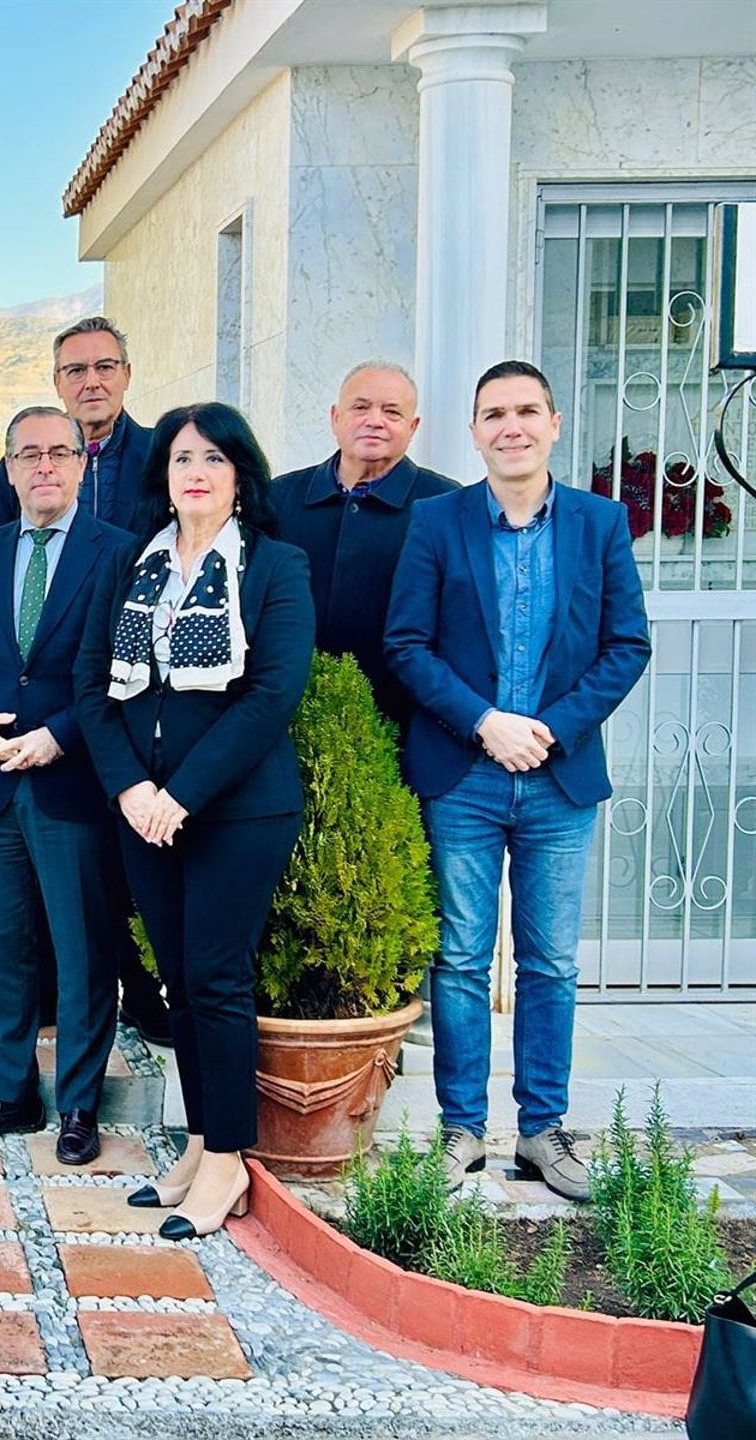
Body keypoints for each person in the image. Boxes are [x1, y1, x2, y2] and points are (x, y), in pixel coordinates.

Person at [384, 361, 650, 1201]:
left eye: (527, 410)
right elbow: (407, 644)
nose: (511, 426)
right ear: (473, 431)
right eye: (493, 413)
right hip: (463, 772)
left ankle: (542, 1132)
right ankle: (461, 1130)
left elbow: (626, 646)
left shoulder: (602, 524)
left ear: (555, 421)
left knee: (550, 964)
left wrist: (553, 728)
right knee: (459, 959)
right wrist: (485, 722)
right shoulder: (436, 522)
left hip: (560, 778)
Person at [73, 402, 314, 1239]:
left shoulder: (275, 567)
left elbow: (273, 694)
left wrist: (183, 795)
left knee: (216, 980)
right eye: (181, 459)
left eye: (213, 458)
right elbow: (93, 690)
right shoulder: (131, 567)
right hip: (144, 811)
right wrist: (132, 790)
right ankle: (202, 1144)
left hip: (238, 810)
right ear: (163, 477)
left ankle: (229, 1164)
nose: (196, 472)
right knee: (176, 983)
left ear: (240, 473)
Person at [0, 406, 130, 1165]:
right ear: (8, 470)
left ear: (82, 466)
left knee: (82, 953)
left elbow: (124, 668)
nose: (43, 467)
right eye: (28, 455)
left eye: (58, 453)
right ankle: (11, 1093)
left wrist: (58, 736)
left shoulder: (115, 554)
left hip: (71, 780)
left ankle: (79, 1105)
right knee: (2, 947)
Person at [0, 316, 170, 1045]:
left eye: (105, 367)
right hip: (51, 712)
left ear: (126, 374)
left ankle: (148, 1002)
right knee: (70, 879)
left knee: (131, 865)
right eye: (75, 370)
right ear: (58, 380)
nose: (91, 381)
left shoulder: (160, 456)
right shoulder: (28, 461)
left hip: (137, 699)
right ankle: (75, 1008)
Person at [271, 361, 458, 732]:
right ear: (336, 418)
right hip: (287, 718)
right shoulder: (278, 498)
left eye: (392, 411)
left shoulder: (446, 505)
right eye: (360, 407)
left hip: (404, 727)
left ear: (412, 427)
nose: (375, 420)